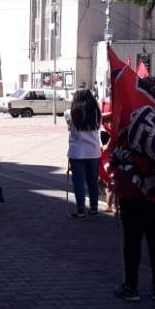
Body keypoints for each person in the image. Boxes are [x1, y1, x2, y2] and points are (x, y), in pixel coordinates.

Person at [114, 77, 155, 301]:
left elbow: (119, 147)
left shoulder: (131, 115)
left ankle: (131, 287)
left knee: (132, 239)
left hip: (132, 188)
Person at [67, 88, 102, 217]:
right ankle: (94, 207)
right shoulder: (96, 113)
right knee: (93, 180)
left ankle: (81, 209)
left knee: (78, 181)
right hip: (93, 151)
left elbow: (69, 127)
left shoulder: (70, 113)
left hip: (77, 152)